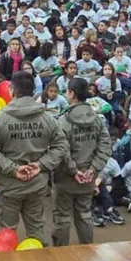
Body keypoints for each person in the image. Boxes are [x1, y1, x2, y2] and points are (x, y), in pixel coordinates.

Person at [0, 71, 69, 247]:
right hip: (37, 184)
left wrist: (13, 169)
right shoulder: (46, 118)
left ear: (12, 90)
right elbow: (61, 145)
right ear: (33, 90)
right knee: (37, 231)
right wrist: (41, 165)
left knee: (6, 236)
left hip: (9, 187)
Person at [52, 78, 113, 248]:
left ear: (71, 93)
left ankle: (60, 255)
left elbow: (61, 150)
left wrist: (73, 170)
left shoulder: (63, 121)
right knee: (84, 214)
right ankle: (87, 252)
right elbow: (105, 146)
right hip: (88, 178)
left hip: (66, 178)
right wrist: (93, 169)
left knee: (62, 217)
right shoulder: (97, 119)